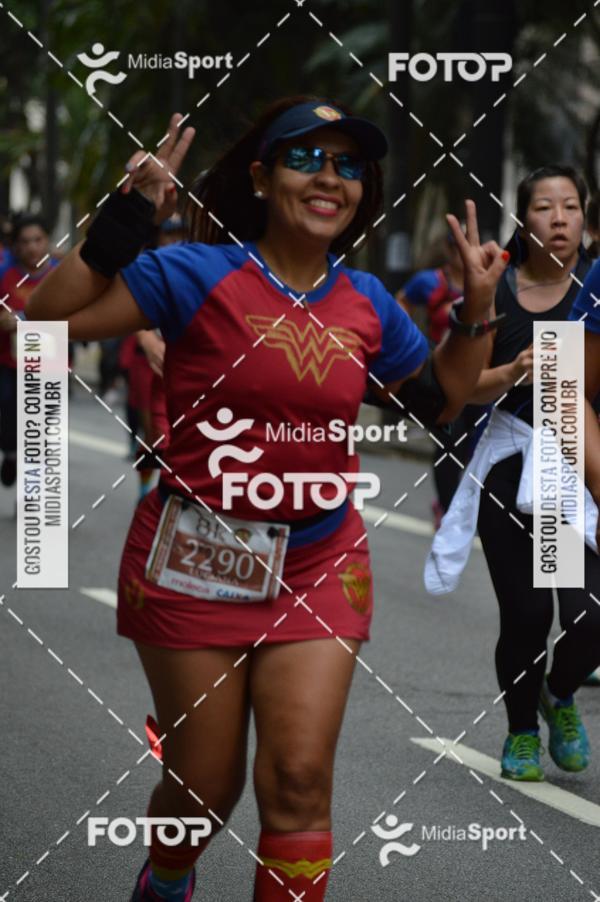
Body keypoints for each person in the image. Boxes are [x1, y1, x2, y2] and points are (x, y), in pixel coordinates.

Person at [28, 97, 508, 901]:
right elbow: (47, 321)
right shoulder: (192, 273)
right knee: (203, 793)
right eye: (306, 159)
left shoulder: (365, 303)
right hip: (190, 560)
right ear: (260, 177)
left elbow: (437, 401)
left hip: (318, 561)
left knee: (296, 779)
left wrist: (478, 311)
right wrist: (128, 215)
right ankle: (167, 877)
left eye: (348, 165)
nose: (330, 178)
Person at [463, 165, 600, 781]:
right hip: (511, 467)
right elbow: (460, 388)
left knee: (591, 613)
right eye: (545, 207)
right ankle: (521, 730)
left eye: (571, 206)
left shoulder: (593, 292)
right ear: (526, 219)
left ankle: (560, 692)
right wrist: (513, 372)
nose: (560, 218)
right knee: (525, 616)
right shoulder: (495, 290)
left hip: (577, 469)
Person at [396, 230, 486, 527]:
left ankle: (459, 504)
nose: (462, 252)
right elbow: (402, 303)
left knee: (475, 445)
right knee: (449, 441)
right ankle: (448, 512)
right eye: (455, 246)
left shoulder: (486, 281)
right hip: (442, 375)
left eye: (468, 245)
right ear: (447, 250)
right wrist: (412, 343)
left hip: (481, 375)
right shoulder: (431, 283)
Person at [0, 214, 57, 488]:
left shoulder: (62, 275)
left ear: (47, 241)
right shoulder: (5, 275)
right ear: (16, 247)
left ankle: (33, 493)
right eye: (25, 242)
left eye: (38, 240)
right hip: (8, 365)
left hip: (49, 364)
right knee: (9, 425)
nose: (32, 247)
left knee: (41, 434)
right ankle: (10, 454)